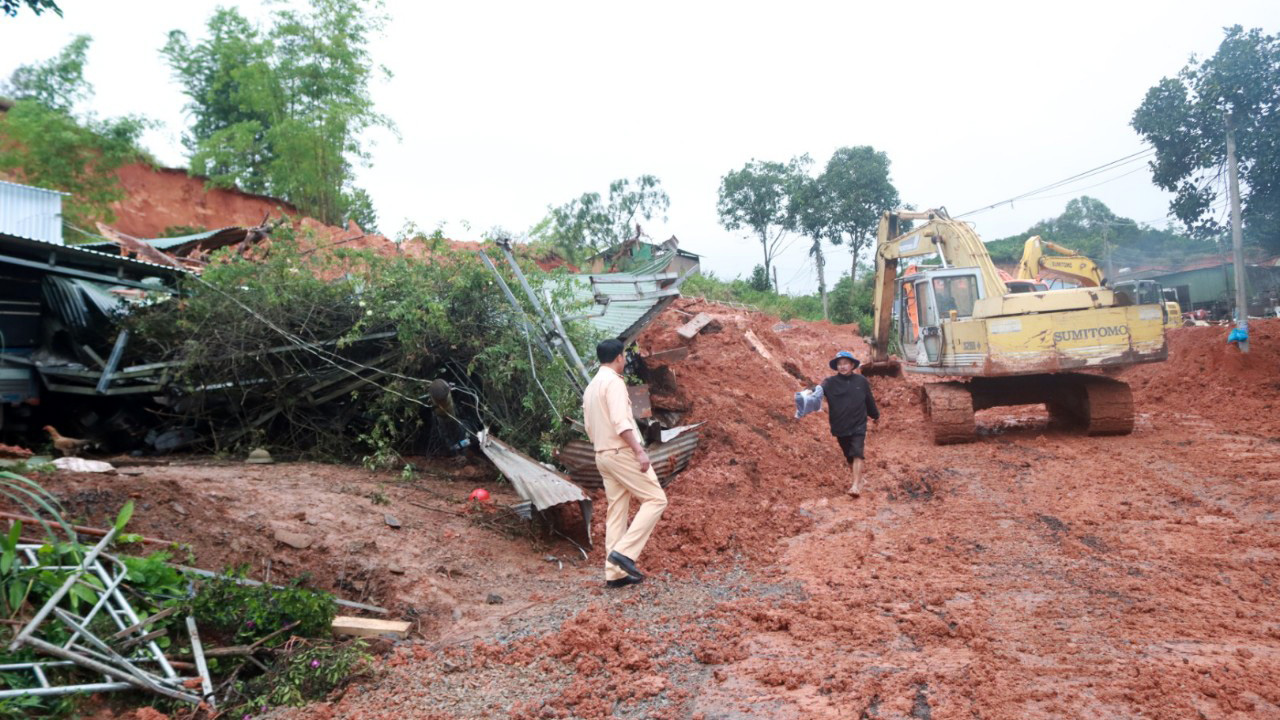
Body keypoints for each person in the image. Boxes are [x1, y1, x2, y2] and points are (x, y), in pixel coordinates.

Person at [582, 338, 668, 589]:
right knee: (656, 499)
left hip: (602, 454)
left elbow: (589, 427)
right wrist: (639, 452)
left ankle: (614, 573)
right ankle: (625, 553)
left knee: (617, 509)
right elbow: (622, 423)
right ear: (619, 357)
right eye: (624, 357)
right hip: (620, 452)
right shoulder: (614, 384)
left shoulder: (592, 386)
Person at [802, 351, 880, 497]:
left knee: (857, 452)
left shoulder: (861, 381)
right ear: (836, 367)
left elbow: (869, 400)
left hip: (858, 424)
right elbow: (817, 391)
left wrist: (875, 415)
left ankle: (855, 485)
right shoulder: (829, 383)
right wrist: (807, 393)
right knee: (849, 456)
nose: (842, 366)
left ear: (852, 365)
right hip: (840, 425)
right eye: (840, 364)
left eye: (845, 363)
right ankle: (860, 479)